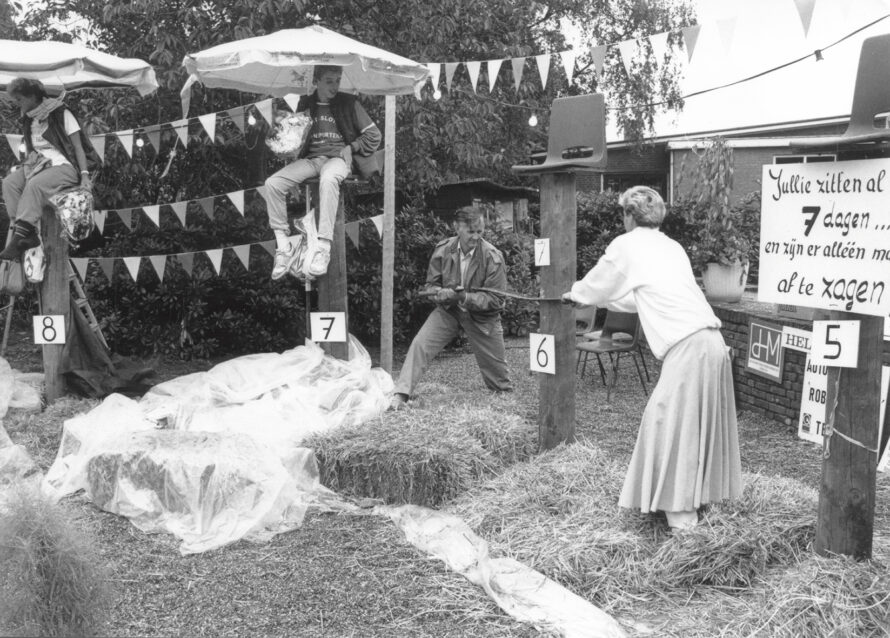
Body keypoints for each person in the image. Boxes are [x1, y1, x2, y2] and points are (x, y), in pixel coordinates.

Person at [562, 186, 742, 530]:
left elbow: (597, 284)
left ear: (628, 216)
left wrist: (575, 295)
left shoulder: (626, 245)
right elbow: (640, 298)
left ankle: (682, 520)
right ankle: (695, 498)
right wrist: (595, 300)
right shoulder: (671, 247)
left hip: (688, 346)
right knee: (696, 423)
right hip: (713, 342)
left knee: (666, 420)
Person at [265, 65, 381, 280]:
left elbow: (374, 135)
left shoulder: (349, 102)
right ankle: (283, 247)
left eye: (337, 80)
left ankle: (323, 247)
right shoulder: (304, 103)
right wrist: (286, 144)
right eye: (329, 81)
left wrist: (352, 147)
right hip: (311, 160)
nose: (335, 86)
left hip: (337, 159)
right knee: (273, 183)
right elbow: (295, 138)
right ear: (316, 81)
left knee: (328, 179)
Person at [390, 206, 512, 409]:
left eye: (480, 232)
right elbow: (430, 285)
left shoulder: (493, 256)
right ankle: (400, 395)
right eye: (471, 231)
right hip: (449, 311)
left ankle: (504, 404)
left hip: (483, 318)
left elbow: (496, 300)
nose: (475, 237)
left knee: (499, 382)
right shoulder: (443, 249)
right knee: (420, 344)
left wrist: (463, 297)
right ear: (456, 227)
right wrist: (439, 293)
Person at [1, 77, 99, 261]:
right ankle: (24, 233)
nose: (17, 104)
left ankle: (20, 237)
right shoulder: (28, 118)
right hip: (38, 164)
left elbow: (78, 147)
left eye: (19, 99)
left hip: (65, 166)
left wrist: (85, 175)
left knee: (35, 185)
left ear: (32, 96)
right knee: (9, 183)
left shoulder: (61, 113)